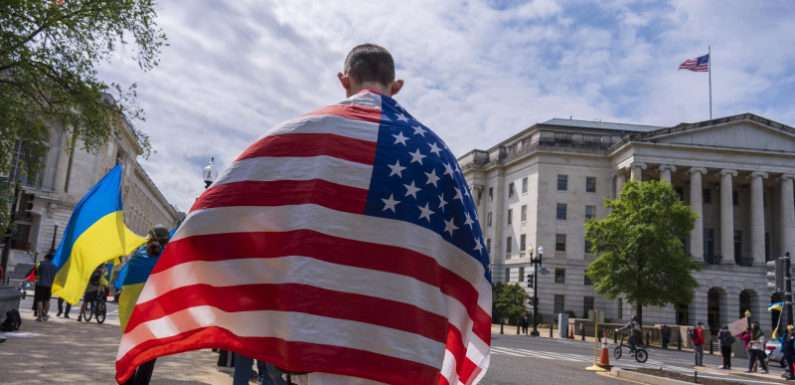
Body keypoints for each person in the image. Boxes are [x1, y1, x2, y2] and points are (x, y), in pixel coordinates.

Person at [34, 253, 57, 321]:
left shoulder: (39, 263)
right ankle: (45, 315)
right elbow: (54, 277)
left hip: (40, 284)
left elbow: (35, 272)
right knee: (47, 300)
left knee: (39, 300)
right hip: (49, 285)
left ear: (45, 257)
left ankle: (39, 316)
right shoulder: (54, 266)